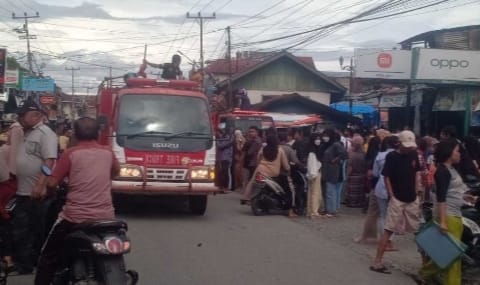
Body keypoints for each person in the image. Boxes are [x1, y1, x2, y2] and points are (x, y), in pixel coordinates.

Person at [33, 117, 120, 285]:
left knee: (48, 255)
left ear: (74, 133)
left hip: (74, 218)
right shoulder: (108, 152)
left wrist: (50, 191)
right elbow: (115, 173)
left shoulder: (70, 154)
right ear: (98, 133)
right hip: (106, 217)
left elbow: (52, 182)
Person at [12, 99, 58, 275]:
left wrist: (40, 184)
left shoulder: (45, 133)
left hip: (37, 193)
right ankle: (24, 263)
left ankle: (33, 263)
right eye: (21, 115)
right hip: (23, 191)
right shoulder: (26, 132)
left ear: (37, 115)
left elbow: (49, 161)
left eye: (24, 115)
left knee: (34, 230)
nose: (21, 118)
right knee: (23, 230)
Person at [418, 139, 468, 285]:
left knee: (449, 254)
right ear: (449, 152)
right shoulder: (442, 171)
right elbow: (441, 198)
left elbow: (452, 192)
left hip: (455, 214)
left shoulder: (451, 169)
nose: (459, 154)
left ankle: (424, 273)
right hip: (449, 216)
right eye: (457, 151)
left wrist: (466, 197)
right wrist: (443, 221)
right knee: (453, 257)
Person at [370, 130, 421, 274]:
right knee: (388, 229)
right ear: (399, 143)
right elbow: (386, 177)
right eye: (406, 145)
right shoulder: (392, 156)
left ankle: (425, 265)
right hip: (397, 198)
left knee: (418, 231)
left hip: (412, 198)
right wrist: (392, 196)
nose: (409, 147)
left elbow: (417, 172)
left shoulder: (413, 154)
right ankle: (377, 261)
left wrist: (418, 191)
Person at [373, 135, 400, 251]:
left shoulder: (379, 156)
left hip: (380, 186)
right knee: (393, 215)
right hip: (396, 187)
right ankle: (389, 242)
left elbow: (375, 173)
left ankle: (382, 240)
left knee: (383, 215)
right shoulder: (400, 156)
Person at [321, 129, 348, 217]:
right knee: (329, 190)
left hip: (332, 170)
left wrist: (335, 160)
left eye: (326, 135)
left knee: (330, 191)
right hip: (327, 170)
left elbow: (344, 154)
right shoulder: (327, 145)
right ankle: (329, 209)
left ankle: (330, 210)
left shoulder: (335, 144)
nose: (324, 137)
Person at [279, 132, 301, 217]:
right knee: (291, 191)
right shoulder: (288, 149)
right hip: (284, 173)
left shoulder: (274, 148)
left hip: (272, 172)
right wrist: (301, 166)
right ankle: (290, 210)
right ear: (286, 138)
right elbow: (295, 161)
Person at [241, 126, 263, 202]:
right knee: (245, 180)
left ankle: (249, 196)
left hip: (253, 163)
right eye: (250, 131)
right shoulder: (250, 140)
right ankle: (246, 195)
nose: (251, 133)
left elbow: (249, 152)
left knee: (251, 180)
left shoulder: (257, 141)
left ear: (257, 132)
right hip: (248, 162)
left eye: (252, 131)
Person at [345, 135, 367, 208]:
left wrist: (347, 176)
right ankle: (360, 203)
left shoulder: (353, 155)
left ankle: (352, 203)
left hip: (353, 175)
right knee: (360, 191)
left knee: (353, 191)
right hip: (362, 175)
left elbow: (350, 167)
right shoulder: (364, 154)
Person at [306, 133, 323, 218]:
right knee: (315, 193)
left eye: (319, 138)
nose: (318, 140)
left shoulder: (313, 149)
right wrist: (313, 174)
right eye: (317, 138)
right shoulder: (312, 151)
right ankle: (314, 212)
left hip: (313, 173)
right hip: (315, 173)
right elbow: (311, 164)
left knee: (311, 192)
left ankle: (310, 210)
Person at [216, 125, 234, 192]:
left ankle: (225, 187)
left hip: (226, 158)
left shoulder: (230, 138)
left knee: (225, 173)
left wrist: (217, 139)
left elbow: (220, 146)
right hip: (221, 158)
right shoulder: (224, 137)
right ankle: (221, 186)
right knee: (220, 173)